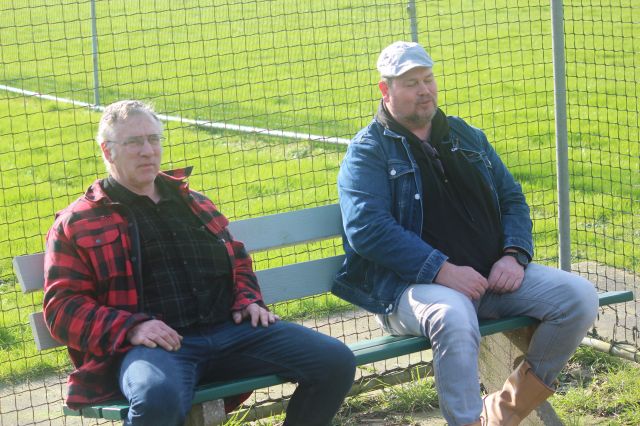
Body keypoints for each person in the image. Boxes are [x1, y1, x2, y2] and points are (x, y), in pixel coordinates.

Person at [332, 41, 599, 426]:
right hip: (409, 290)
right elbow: (367, 229)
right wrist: (441, 270)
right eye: (411, 83)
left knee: (578, 297)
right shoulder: (367, 151)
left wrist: (513, 255)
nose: (424, 90)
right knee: (453, 316)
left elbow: (512, 199)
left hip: (489, 276)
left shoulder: (466, 136)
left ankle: (502, 413)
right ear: (385, 89)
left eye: (428, 79)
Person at [43, 100, 356, 426]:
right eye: (134, 142)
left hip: (231, 333)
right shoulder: (78, 222)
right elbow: (62, 309)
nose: (147, 151)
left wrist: (248, 300)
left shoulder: (193, 202)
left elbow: (237, 261)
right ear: (108, 151)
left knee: (335, 362)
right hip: (157, 348)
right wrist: (132, 327)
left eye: (153, 139)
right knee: (157, 398)